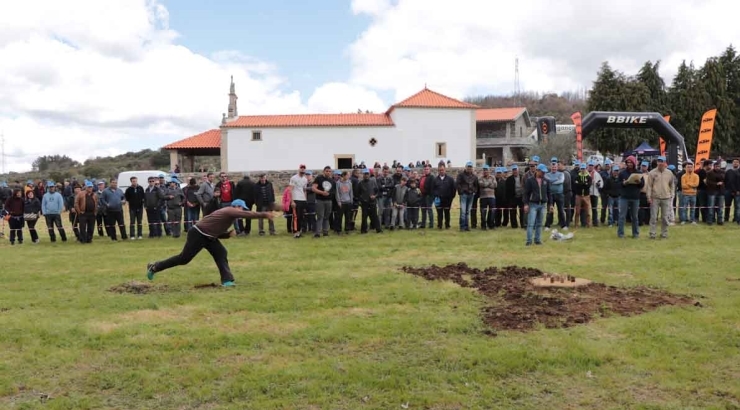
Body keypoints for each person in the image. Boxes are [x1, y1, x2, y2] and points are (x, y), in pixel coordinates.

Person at [145, 199, 276, 287]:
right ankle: (155, 267)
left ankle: (227, 281)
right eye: (242, 209)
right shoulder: (230, 210)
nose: (242, 212)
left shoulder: (230, 217)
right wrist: (265, 214)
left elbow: (215, 231)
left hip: (208, 236)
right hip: (198, 233)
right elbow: (249, 215)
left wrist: (226, 235)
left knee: (221, 252)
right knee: (184, 259)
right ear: (237, 206)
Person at [523, 164, 552, 246]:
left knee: (539, 224)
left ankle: (537, 240)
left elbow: (549, 193)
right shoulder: (530, 180)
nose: (544, 174)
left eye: (544, 172)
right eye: (542, 172)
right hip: (533, 204)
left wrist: (551, 204)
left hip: (542, 205)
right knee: (531, 224)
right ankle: (529, 241)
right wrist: (526, 204)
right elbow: (526, 193)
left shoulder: (546, 181)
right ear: (537, 171)